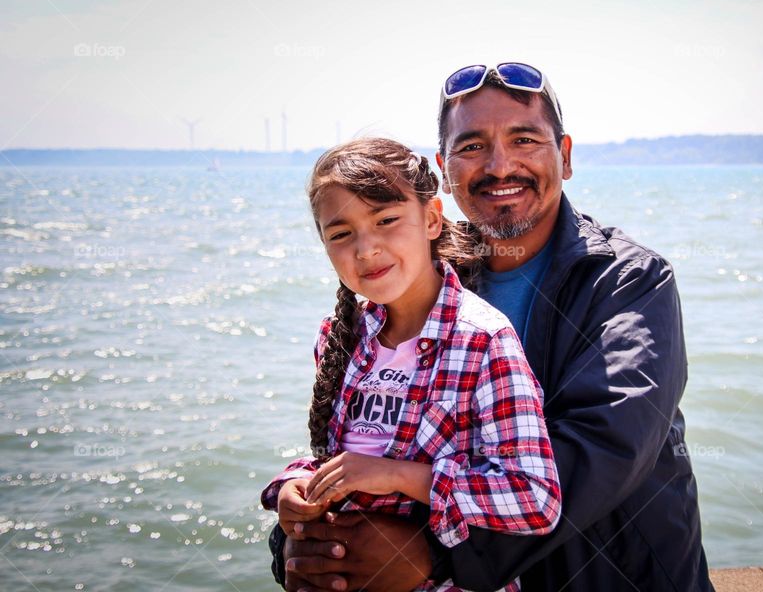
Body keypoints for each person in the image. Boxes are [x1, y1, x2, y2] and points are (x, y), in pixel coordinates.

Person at [267, 64, 714, 591]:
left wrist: (433, 556)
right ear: (444, 169)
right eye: (472, 146)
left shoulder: (628, 280)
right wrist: (310, 543)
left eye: (524, 139)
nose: (500, 166)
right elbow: (366, 445)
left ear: (565, 157)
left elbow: (604, 451)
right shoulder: (413, 279)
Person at [260, 137, 562, 592]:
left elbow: (534, 498)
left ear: (432, 219)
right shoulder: (340, 337)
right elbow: (341, 459)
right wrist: (296, 487)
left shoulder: (483, 341)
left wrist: (398, 476)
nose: (365, 249)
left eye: (386, 220)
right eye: (341, 234)